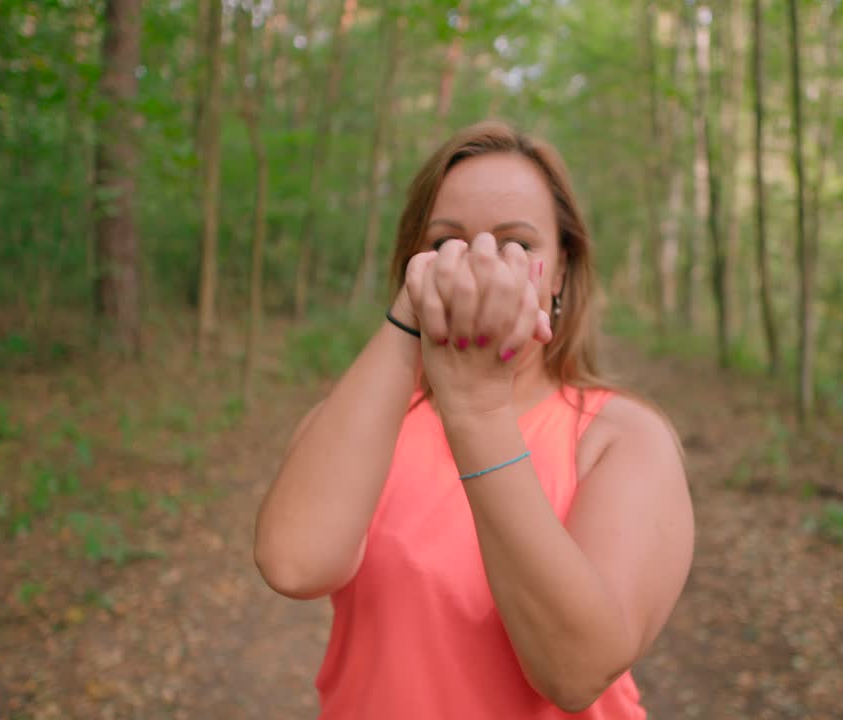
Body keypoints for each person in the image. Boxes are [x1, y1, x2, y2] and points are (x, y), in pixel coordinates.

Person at [254, 121, 694, 719]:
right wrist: (412, 321)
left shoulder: (624, 439)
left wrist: (478, 409)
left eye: (517, 245)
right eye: (446, 246)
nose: (478, 268)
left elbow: (575, 672)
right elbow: (295, 562)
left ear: (562, 270)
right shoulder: (370, 418)